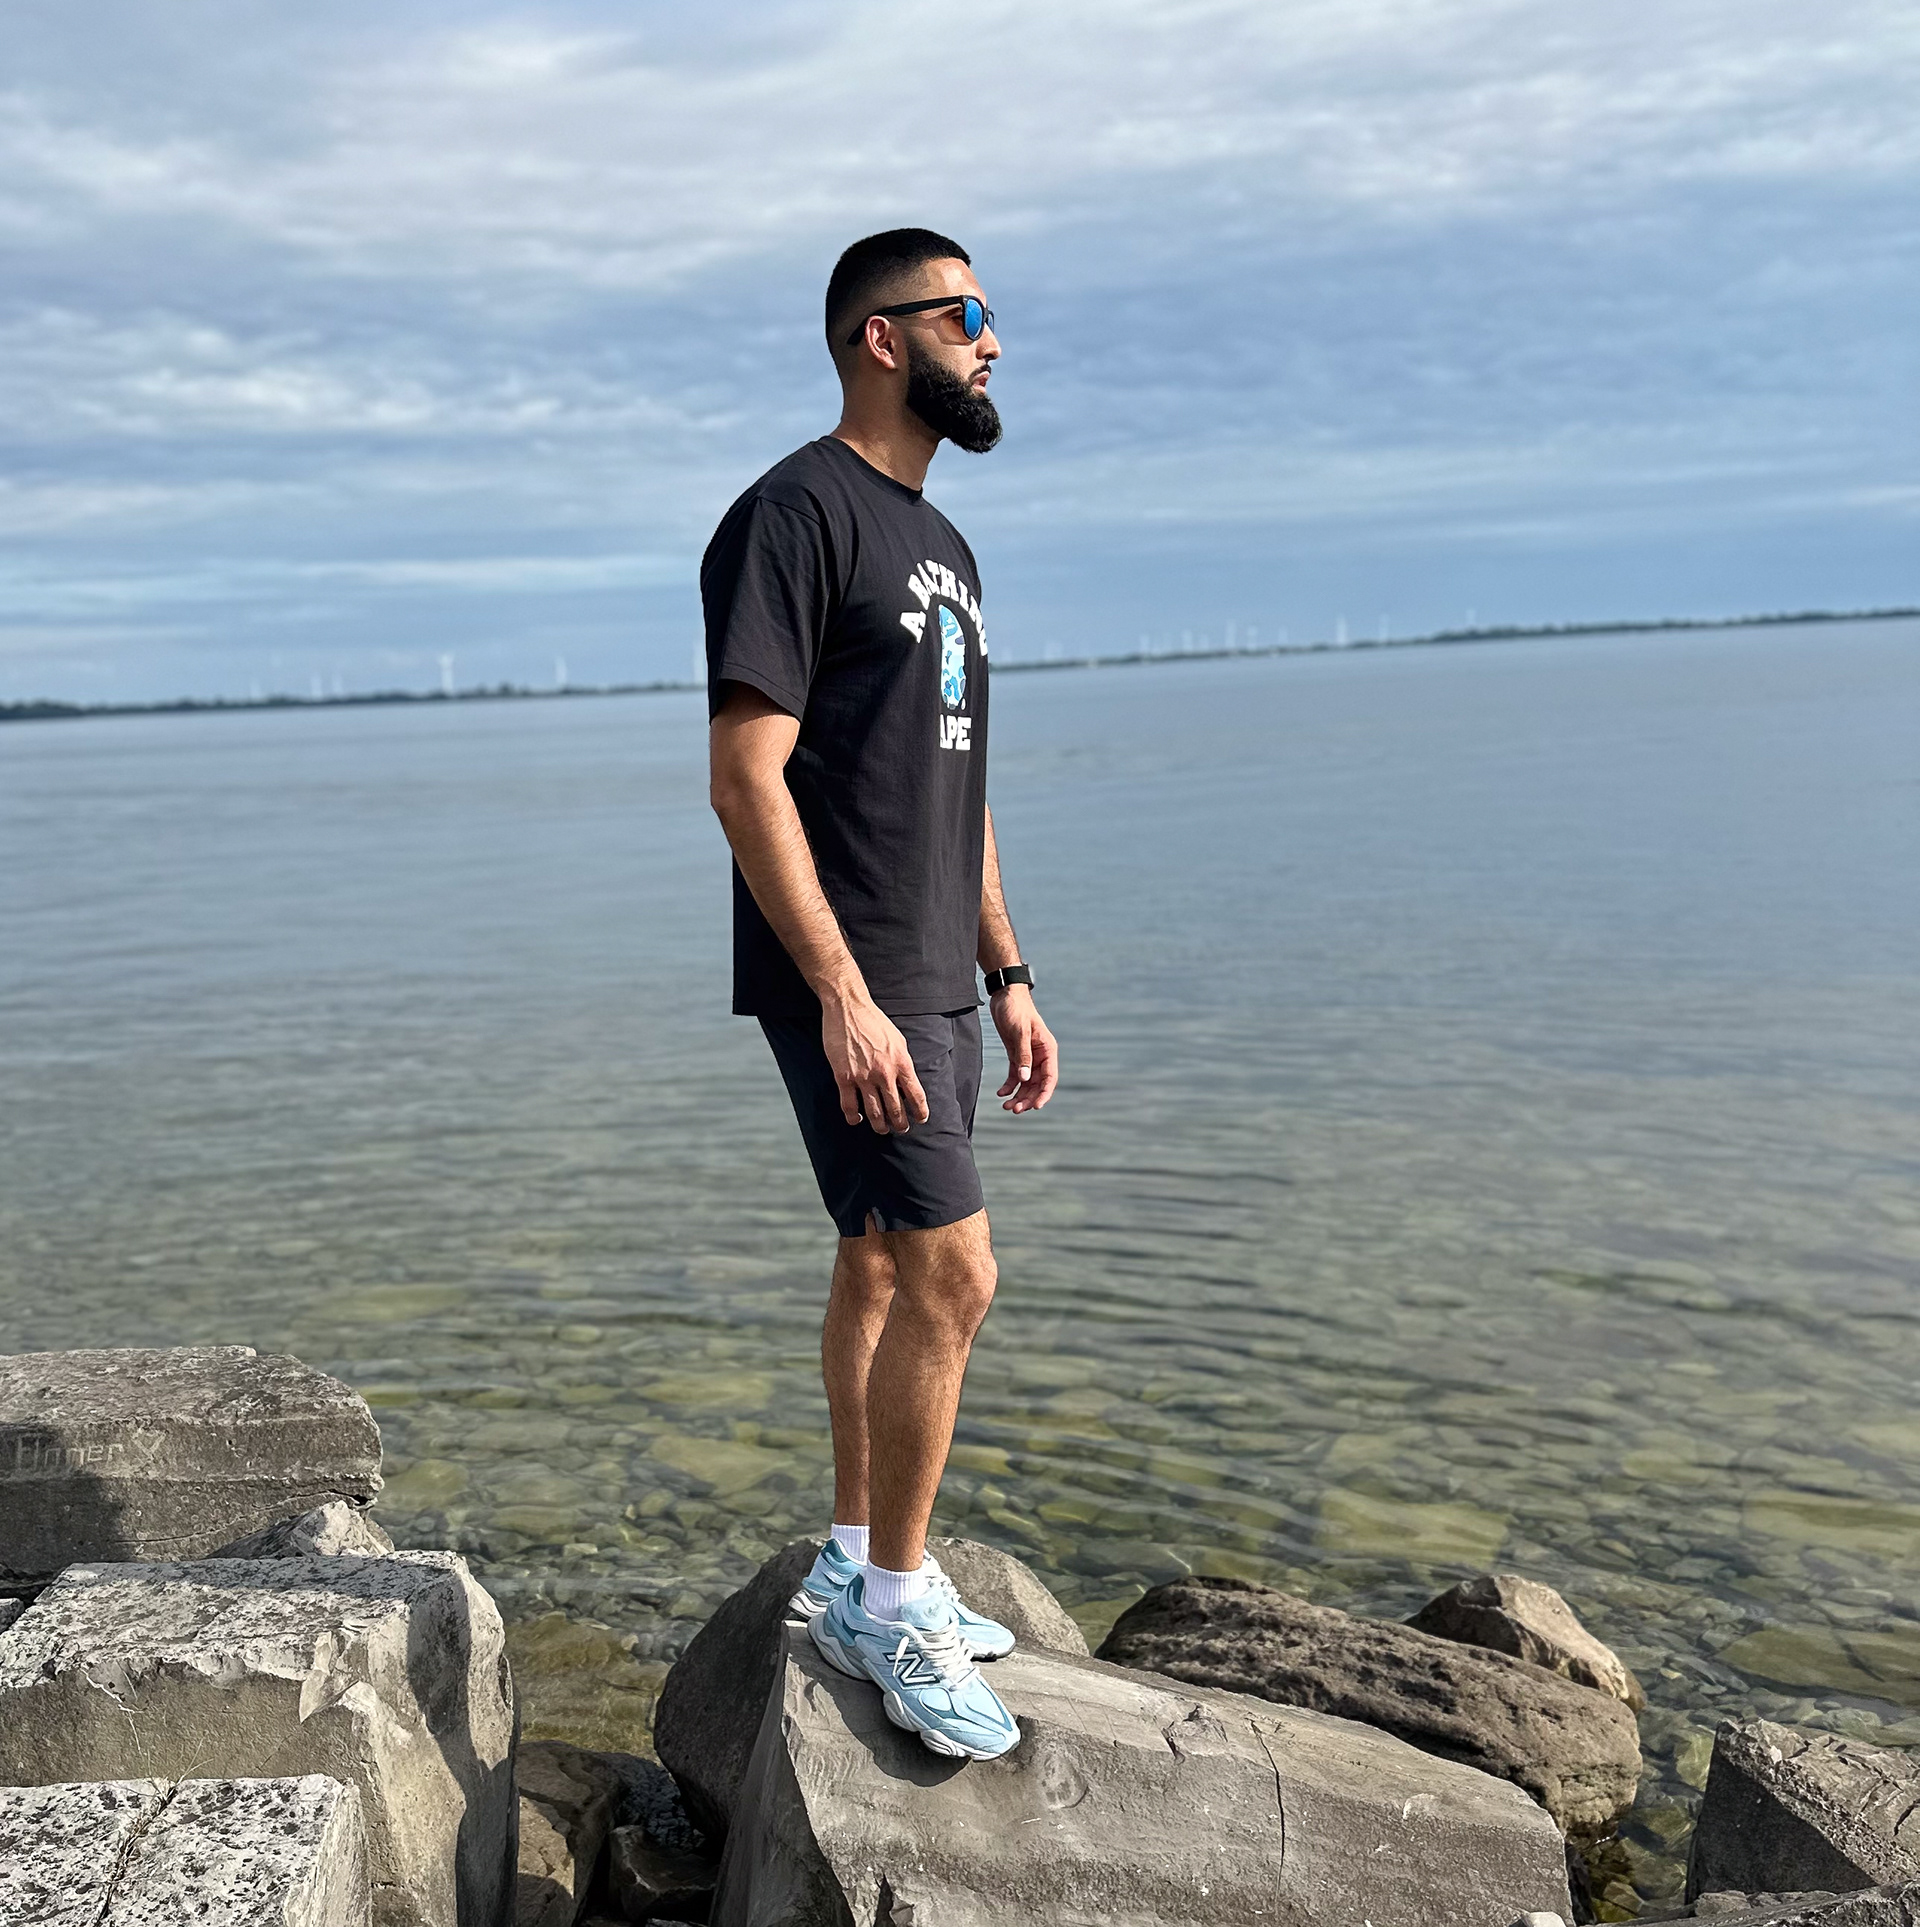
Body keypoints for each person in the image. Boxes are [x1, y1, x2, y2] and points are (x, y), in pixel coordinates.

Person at [703, 228, 1059, 1762]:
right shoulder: (793, 515)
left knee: (875, 1264)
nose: (991, 342)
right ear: (877, 337)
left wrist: (1011, 968)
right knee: (954, 1277)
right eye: (965, 316)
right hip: (851, 975)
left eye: (990, 318)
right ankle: (891, 1604)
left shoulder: (945, 547)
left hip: (936, 972)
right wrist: (840, 991)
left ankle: (857, 1556)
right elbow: (743, 775)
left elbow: (955, 785)